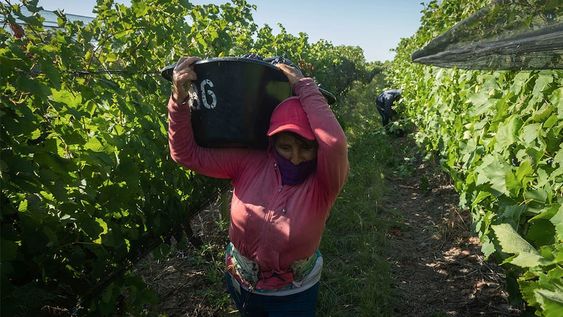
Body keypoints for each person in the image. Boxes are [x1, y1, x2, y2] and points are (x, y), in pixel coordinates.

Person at [167, 56, 349, 316]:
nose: (296, 158)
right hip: (241, 281)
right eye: (285, 147)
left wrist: (302, 85)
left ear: (317, 149)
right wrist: (179, 99)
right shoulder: (250, 162)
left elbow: (335, 143)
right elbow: (185, 154)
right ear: (271, 142)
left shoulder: (324, 183)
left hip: (293, 294)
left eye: (306, 148)